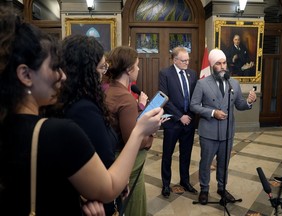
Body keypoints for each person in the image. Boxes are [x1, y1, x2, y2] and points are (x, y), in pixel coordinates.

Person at [0, 7, 163, 216]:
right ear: (25, 74)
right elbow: (109, 187)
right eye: (54, 67)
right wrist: (140, 130)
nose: (63, 76)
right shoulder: (58, 132)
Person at [59, 34, 127, 215]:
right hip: (98, 201)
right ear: (87, 70)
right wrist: (141, 131)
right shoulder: (83, 109)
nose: (103, 74)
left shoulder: (76, 101)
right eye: (101, 67)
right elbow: (103, 160)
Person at [190, 48, 257, 205]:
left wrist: (249, 102)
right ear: (213, 65)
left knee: (224, 163)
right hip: (209, 132)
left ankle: (222, 188)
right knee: (206, 163)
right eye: (219, 64)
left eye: (224, 63)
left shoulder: (234, 83)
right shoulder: (202, 83)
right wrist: (213, 112)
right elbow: (194, 106)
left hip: (227, 132)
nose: (222, 66)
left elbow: (239, 104)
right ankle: (204, 189)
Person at [104, 46, 155, 216]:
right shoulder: (125, 98)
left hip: (112, 156)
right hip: (126, 162)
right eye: (137, 65)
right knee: (135, 206)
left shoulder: (108, 89)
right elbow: (134, 141)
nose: (139, 69)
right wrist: (150, 134)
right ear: (128, 69)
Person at [158, 46, 198, 198]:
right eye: (184, 60)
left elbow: (194, 97)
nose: (187, 63)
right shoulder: (165, 74)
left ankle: (185, 181)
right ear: (175, 60)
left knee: (186, 154)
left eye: (188, 60)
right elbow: (164, 98)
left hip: (189, 121)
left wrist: (189, 116)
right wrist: (180, 116)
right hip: (173, 122)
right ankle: (166, 184)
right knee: (167, 154)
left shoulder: (192, 74)